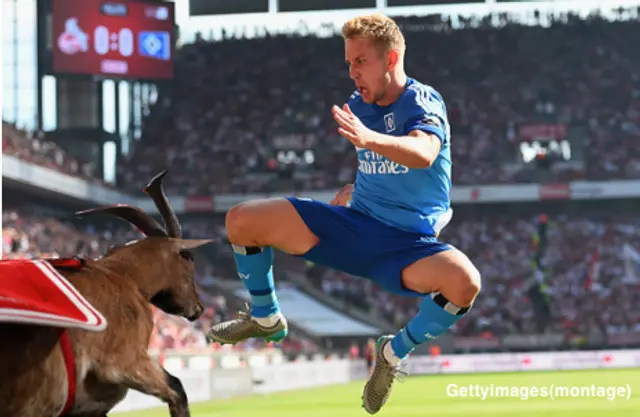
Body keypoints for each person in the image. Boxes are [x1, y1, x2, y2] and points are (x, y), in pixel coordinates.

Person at [206, 13, 481, 414]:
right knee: (241, 221)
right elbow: (383, 167)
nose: (352, 72)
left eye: (360, 62)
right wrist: (357, 187)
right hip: (354, 226)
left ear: (390, 59)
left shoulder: (421, 100)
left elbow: (423, 153)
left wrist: (370, 138)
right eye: (349, 63)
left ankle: (392, 352)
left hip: (406, 246)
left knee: (464, 282)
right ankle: (266, 318)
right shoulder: (358, 104)